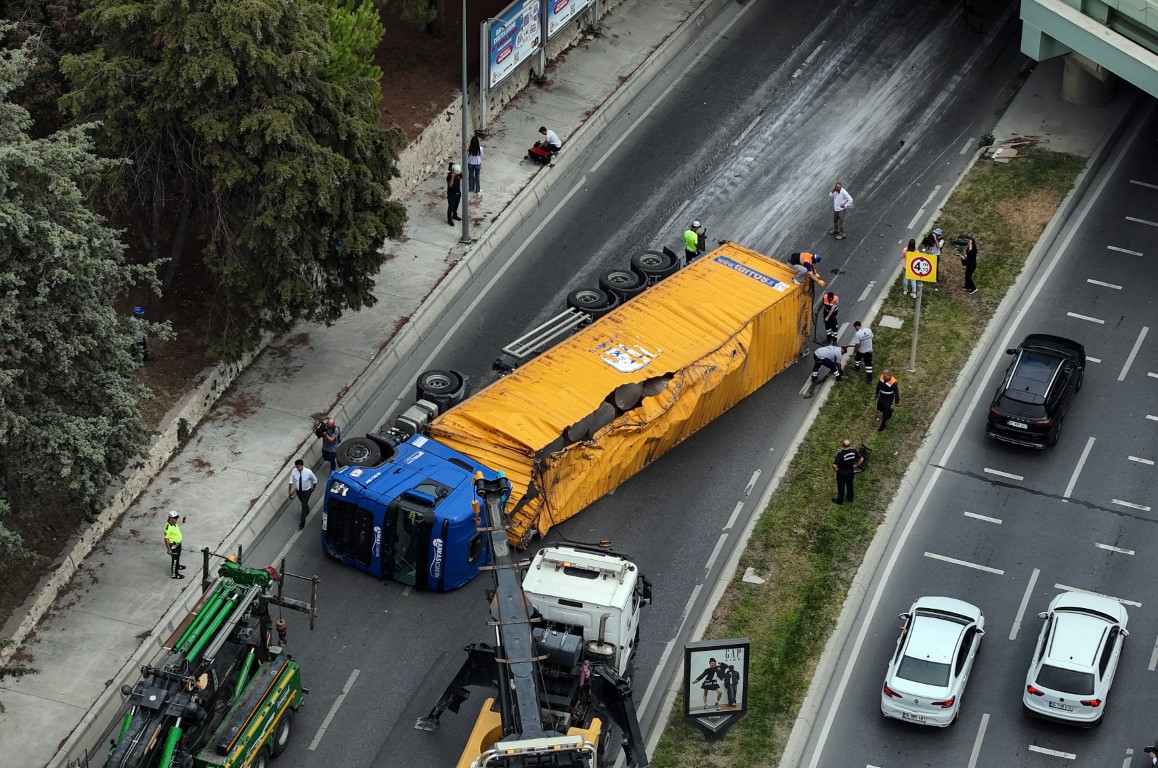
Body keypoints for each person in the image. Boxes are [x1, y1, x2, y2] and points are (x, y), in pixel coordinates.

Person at [288, 459, 319, 529]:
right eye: (297, 467)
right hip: (299, 491)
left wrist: (313, 488)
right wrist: (289, 491)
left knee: (303, 504)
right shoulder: (294, 471)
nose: (299, 469)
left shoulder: (308, 472)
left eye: (300, 467)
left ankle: (302, 521)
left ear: (302, 465)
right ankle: (307, 510)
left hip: (307, 491)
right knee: (303, 502)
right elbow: (291, 481)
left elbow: (315, 480)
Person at [832, 439, 864, 504]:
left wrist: (837, 471)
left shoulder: (841, 454)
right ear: (850, 445)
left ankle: (840, 500)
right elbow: (861, 459)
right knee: (850, 485)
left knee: (841, 486)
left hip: (842, 472)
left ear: (842, 445)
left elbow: (834, 465)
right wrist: (856, 465)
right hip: (850, 471)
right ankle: (850, 498)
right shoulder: (854, 451)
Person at [163, 511, 186, 579]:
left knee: (178, 556)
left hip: (178, 544)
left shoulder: (173, 524)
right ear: (170, 518)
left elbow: (177, 526)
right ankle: (174, 574)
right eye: (175, 518)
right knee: (175, 559)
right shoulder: (167, 527)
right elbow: (166, 539)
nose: (176, 519)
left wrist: (182, 521)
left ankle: (178, 566)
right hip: (173, 546)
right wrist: (169, 549)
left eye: (176, 518)